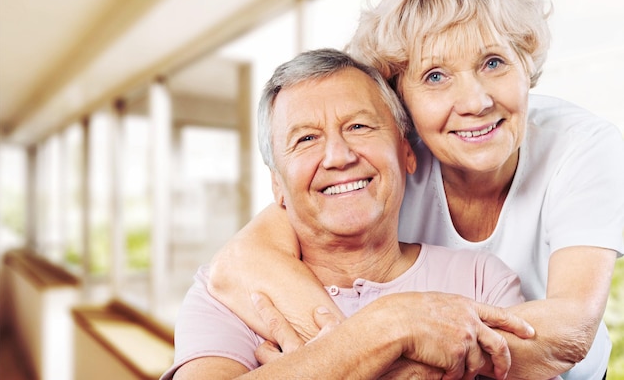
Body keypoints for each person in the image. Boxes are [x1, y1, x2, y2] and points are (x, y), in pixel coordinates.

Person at [208, 0, 624, 380]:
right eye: (436, 76)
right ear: (399, 97)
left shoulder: (584, 147)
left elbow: (571, 329)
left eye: (494, 63)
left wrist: (358, 361)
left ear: (526, 66)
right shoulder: (382, 161)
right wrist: (370, 342)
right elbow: (240, 263)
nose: (475, 101)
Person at [161, 49, 540, 380]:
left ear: (407, 153)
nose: (338, 157)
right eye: (306, 139)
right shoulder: (228, 295)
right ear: (277, 184)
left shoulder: (481, 280)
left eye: (358, 127)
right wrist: (388, 327)